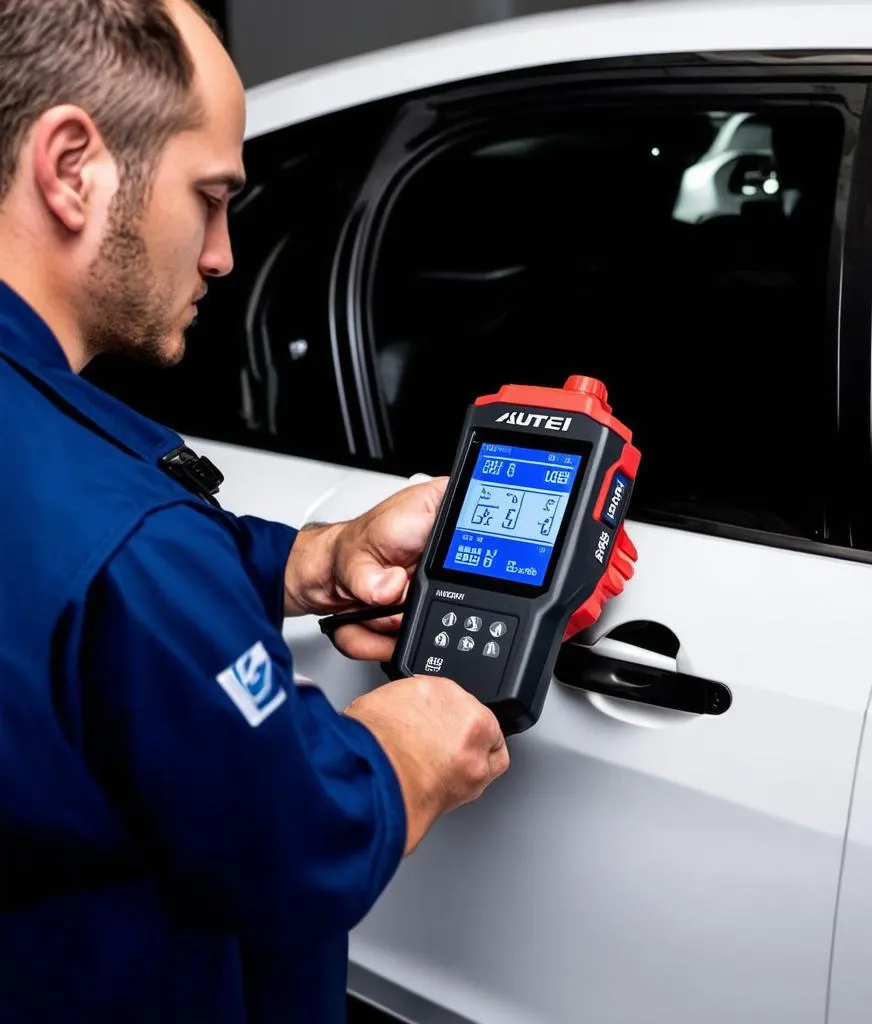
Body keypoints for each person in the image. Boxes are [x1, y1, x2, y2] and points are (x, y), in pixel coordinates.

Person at [0, 2, 510, 1021]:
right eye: (211, 197)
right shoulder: (134, 545)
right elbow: (296, 844)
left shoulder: (80, 496)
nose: (224, 253)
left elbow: (46, 587)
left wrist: (310, 560)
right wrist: (405, 749)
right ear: (71, 167)